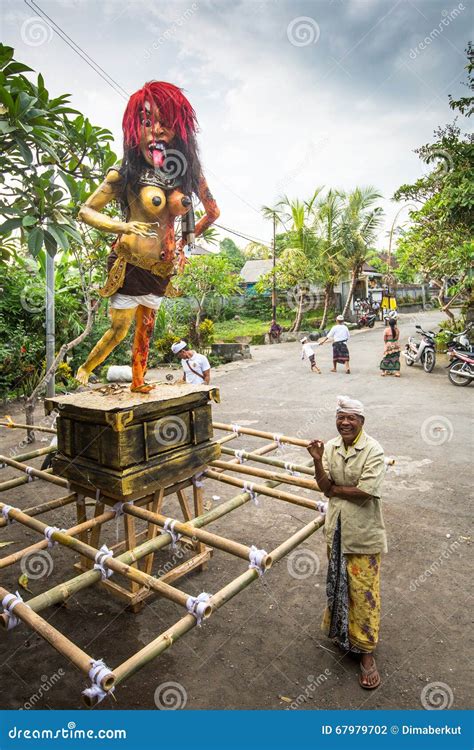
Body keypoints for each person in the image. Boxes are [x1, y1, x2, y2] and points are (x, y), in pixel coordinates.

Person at [75, 81, 219, 392]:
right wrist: (122, 227)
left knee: (147, 328)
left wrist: (184, 241)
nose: (156, 130)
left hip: (161, 269)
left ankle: (138, 382)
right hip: (129, 263)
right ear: (133, 129)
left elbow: (213, 212)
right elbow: (86, 212)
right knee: (119, 328)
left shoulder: (187, 176)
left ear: (178, 130)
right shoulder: (124, 174)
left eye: (165, 123)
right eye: (146, 121)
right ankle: (85, 368)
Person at [306, 395, 387, 690]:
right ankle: (343, 635)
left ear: (362, 421)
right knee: (339, 584)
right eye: (341, 417)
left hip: (363, 534)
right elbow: (324, 487)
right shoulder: (330, 447)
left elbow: (365, 491)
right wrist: (317, 462)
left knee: (364, 592)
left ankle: (367, 653)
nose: (345, 422)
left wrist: (334, 490)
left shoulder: (373, 450)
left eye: (351, 417)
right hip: (337, 530)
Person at [380, 311, 401, 377]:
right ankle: (397, 372)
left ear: (389, 323)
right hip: (395, 344)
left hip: (388, 344)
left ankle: (384, 372)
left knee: (386, 358)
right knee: (396, 358)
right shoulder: (397, 330)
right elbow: (397, 338)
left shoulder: (386, 330)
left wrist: (387, 344)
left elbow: (385, 339)